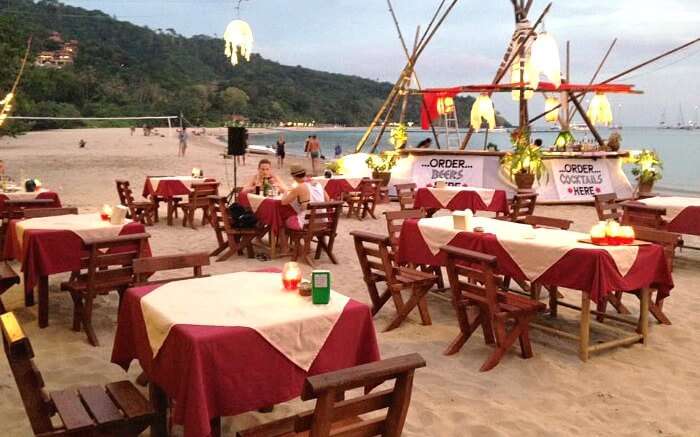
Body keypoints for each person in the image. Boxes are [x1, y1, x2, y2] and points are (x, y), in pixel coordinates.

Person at [281, 165, 329, 230]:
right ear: (305, 173)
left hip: (307, 225)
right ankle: (320, 239)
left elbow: (283, 202)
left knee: (283, 221)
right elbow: (327, 199)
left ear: (293, 176)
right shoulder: (318, 184)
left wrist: (285, 191)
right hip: (322, 223)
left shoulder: (300, 187)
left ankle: (286, 240)